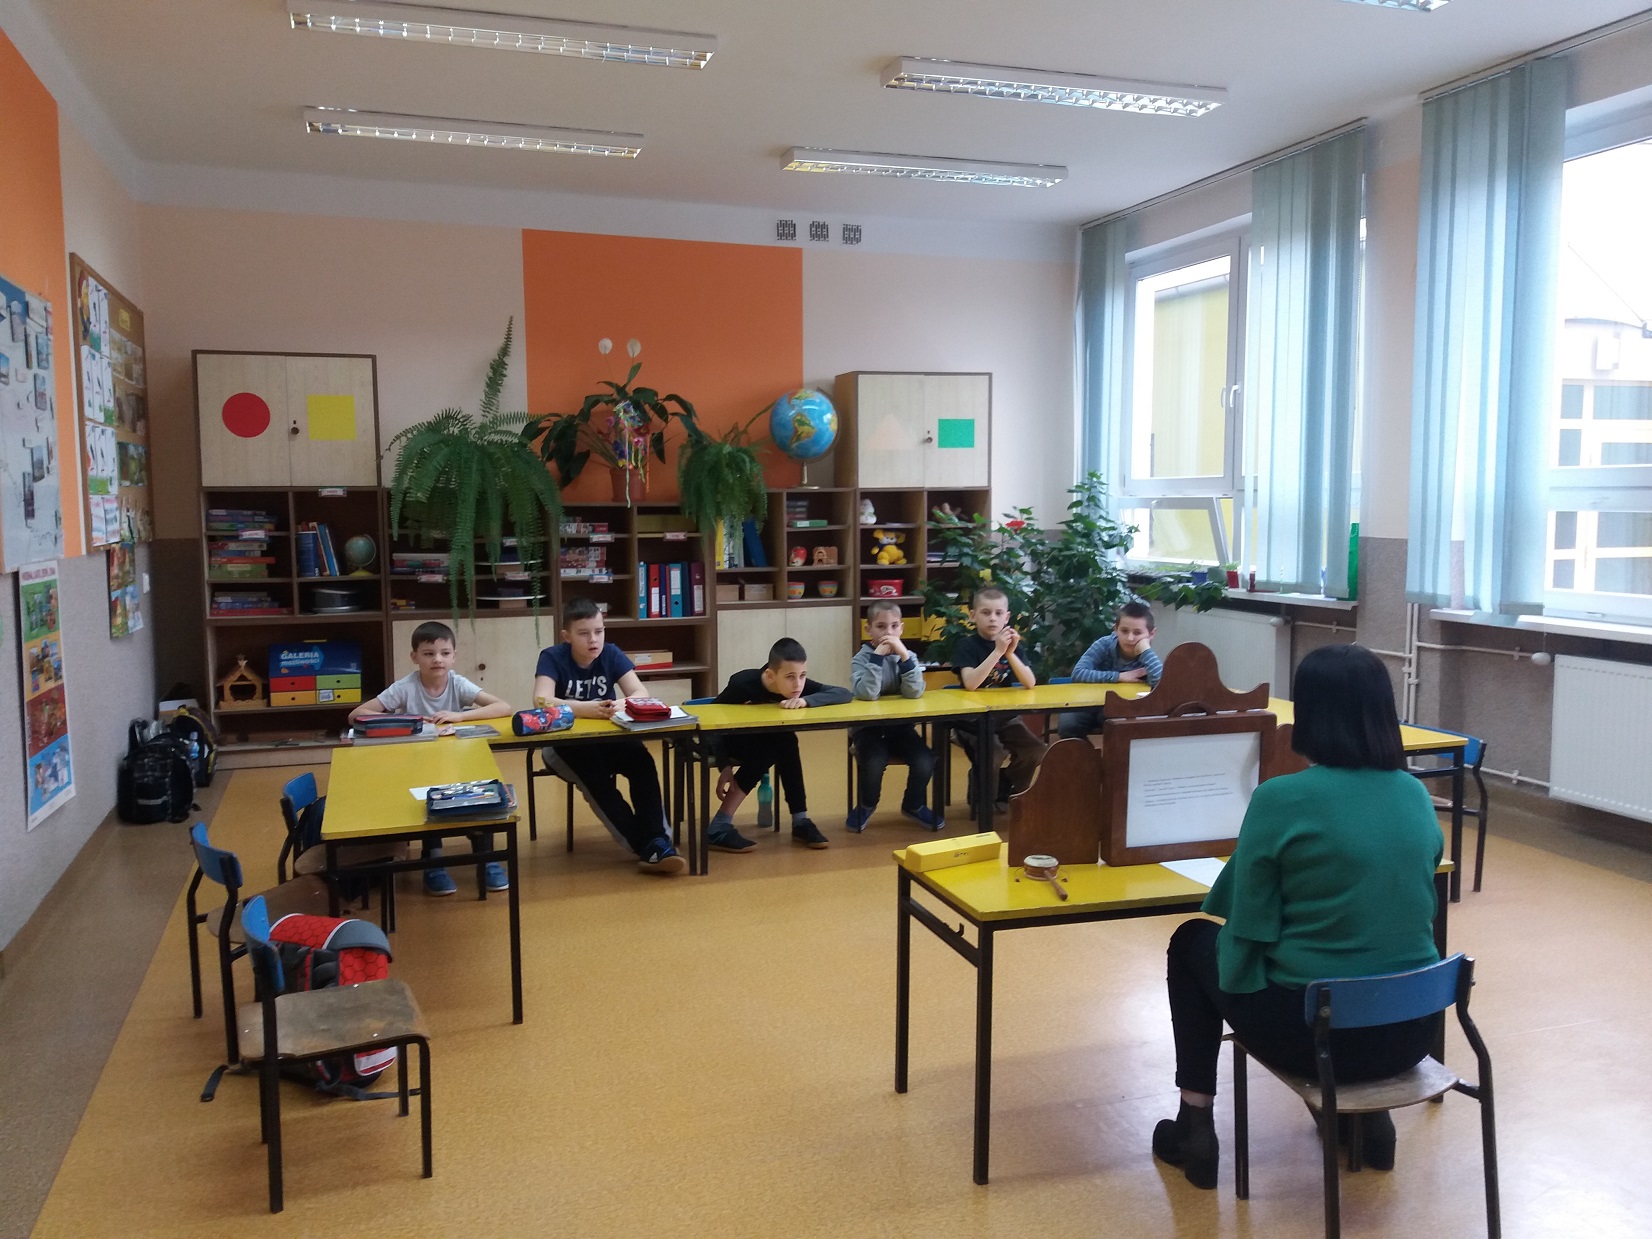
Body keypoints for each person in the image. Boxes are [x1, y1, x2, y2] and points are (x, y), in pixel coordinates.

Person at [1152, 643, 1442, 1190]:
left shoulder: (1281, 798)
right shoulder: (1413, 794)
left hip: (1318, 1038)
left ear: (1308, 715)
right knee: (1368, 953)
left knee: (1191, 943)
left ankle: (1194, 1124)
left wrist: (1240, 985)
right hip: (1411, 1033)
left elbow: (1248, 926)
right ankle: (1370, 1125)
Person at [350, 620, 513, 895]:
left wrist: (459, 716)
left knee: (482, 791)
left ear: (454, 656)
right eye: (428, 653)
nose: (437, 659)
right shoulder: (405, 687)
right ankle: (433, 862)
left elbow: (503, 707)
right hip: (418, 764)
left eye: (444, 653)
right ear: (414, 657)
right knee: (430, 797)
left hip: (459, 761)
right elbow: (357, 715)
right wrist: (409, 720)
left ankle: (487, 860)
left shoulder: (457, 683)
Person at [532, 597, 686, 876]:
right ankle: (646, 846)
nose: (593, 639)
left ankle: (658, 839)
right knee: (596, 779)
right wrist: (586, 709)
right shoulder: (552, 657)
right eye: (583, 633)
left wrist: (621, 704)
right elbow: (541, 700)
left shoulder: (611, 653)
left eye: (599, 631)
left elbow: (640, 693)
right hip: (564, 746)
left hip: (609, 738)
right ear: (566, 636)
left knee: (642, 762)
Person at [707, 637, 850, 853]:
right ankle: (720, 826)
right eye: (790, 677)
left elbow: (844, 693)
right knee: (777, 742)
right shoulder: (743, 683)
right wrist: (724, 764)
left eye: (803, 675)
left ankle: (799, 820)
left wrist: (806, 701)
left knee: (784, 739)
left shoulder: (796, 686)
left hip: (763, 743)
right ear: (770, 675)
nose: (798, 684)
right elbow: (711, 721)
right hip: (724, 741)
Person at [846, 601, 943, 833]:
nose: (888, 633)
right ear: (868, 629)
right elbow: (868, 694)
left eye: (894, 626)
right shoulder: (861, 659)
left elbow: (915, 692)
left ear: (901, 628)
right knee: (874, 762)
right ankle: (867, 804)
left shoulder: (908, 656)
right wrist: (877, 658)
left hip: (901, 729)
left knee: (925, 761)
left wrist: (904, 658)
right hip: (868, 730)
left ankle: (914, 804)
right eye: (881, 626)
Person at [953, 586, 1046, 808]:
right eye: (986, 613)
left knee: (1036, 750)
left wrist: (1010, 653)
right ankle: (984, 801)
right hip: (972, 721)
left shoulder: (1012, 646)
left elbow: (1030, 682)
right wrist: (997, 652)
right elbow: (971, 683)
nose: (992, 619)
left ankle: (1007, 787)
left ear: (1007, 617)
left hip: (1005, 718)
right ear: (973, 615)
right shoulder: (966, 645)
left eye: (998, 613)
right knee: (993, 753)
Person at [1057, 600, 1164, 741]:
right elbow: (1078, 673)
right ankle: (1085, 754)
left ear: (1151, 634)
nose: (1130, 638)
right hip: (1088, 703)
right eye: (1124, 631)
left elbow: (1161, 683)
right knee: (1068, 724)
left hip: (1121, 708)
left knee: (1121, 724)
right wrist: (1119, 677)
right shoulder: (1104, 644)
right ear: (1115, 629)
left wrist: (1146, 650)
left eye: (1137, 633)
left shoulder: (1148, 656)